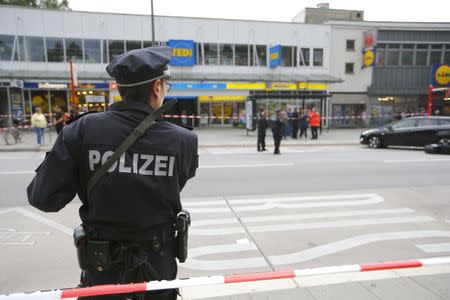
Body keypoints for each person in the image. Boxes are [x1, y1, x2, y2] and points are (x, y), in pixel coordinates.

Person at [27, 46, 198, 300]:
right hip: (157, 272)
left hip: (102, 273)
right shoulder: (184, 140)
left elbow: (43, 198)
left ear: (119, 88)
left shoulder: (82, 131)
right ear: (157, 88)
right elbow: (174, 183)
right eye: (165, 85)